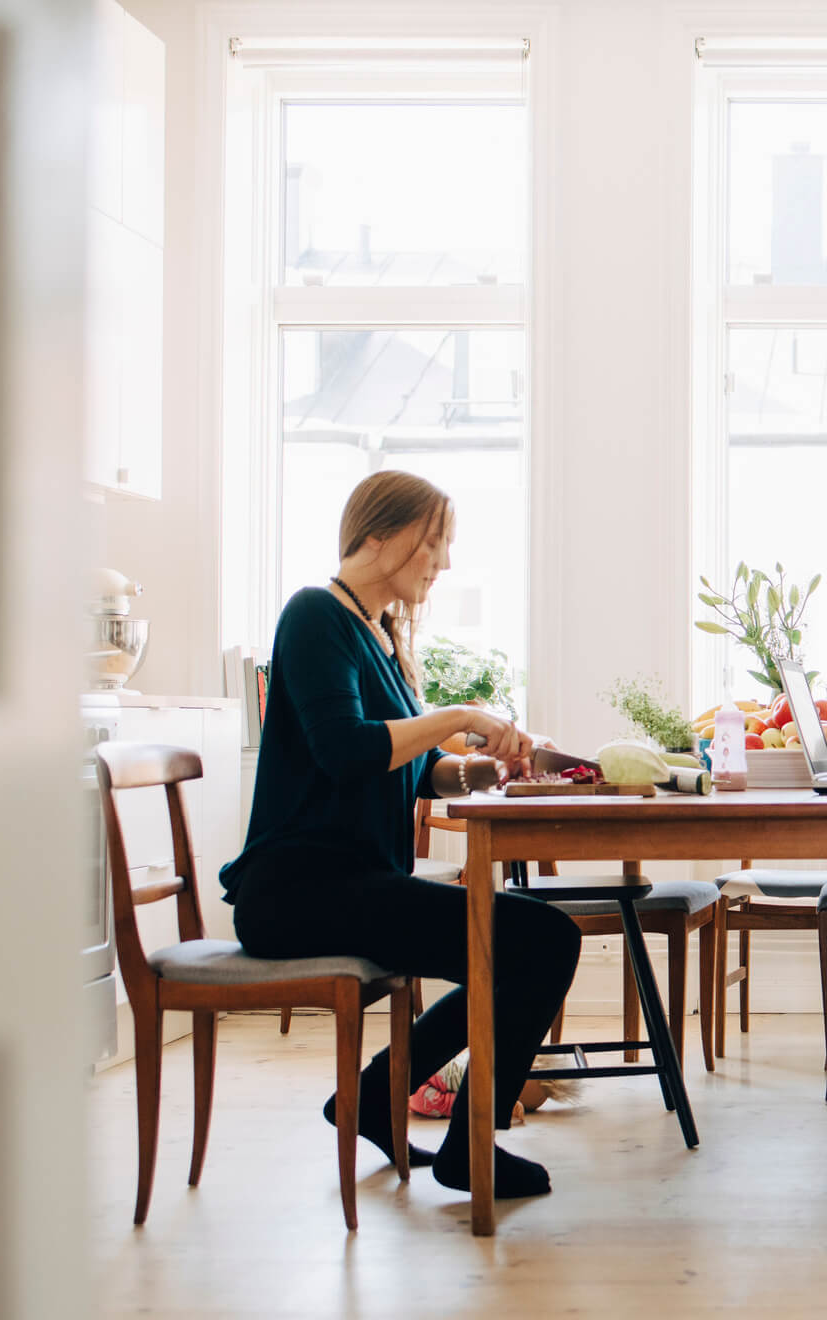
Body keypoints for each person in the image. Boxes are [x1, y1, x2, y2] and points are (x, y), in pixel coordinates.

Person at [218, 470, 581, 1201]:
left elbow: (415, 776)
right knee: (542, 941)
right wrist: (455, 715)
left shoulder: (375, 634)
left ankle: (383, 1095)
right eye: (433, 542)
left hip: (350, 883)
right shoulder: (314, 615)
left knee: (528, 944)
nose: (442, 563)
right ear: (377, 537)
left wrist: (485, 771)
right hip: (300, 890)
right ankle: (465, 1147)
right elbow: (347, 750)